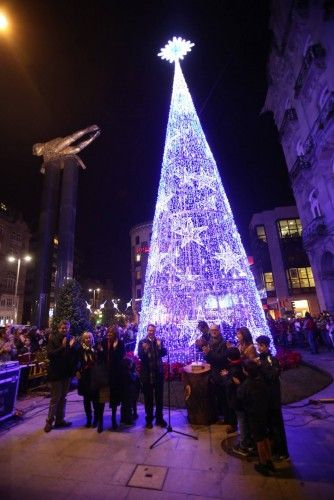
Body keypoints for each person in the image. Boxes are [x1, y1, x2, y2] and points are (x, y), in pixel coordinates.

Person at [237, 360, 274, 476]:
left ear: (246, 372)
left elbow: (241, 396)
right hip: (264, 412)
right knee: (265, 437)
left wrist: (238, 385)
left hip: (254, 414)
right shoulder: (261, 380)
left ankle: (263, 463)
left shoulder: (247, 385)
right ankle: (269, 460)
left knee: (259, 439)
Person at [256, 335, 289, 461]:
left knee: (277, 425)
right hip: (265, 398)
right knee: (270, 425)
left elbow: (273, 375)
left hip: (273, 398)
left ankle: (282, 452)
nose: (259, 348)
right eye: (258, 345)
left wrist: (260, 366)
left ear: (266, 346)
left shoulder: (271, 359)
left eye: (261, 345)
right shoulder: (260, 358)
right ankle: (274, 449)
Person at [44, 320, 78, 433]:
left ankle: (60, 420)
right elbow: (50, 355)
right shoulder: (53, 339)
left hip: (66, 374)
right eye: (63, 328)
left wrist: (72, 347)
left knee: (63, 398)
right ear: (59, 328)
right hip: (56, 373)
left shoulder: (70, 339)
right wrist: (63, 347)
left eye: (67, 328)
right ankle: (49, 421)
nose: (65, 330)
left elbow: (72, 357)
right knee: (55, 398)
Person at [138, 324, 167, 429]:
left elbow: (164, 353)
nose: (151, 332)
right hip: (147, 374)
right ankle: (149, 419)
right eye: (149, 330)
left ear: (155, 331)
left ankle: (159, 418)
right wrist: (145, 350)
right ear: (147, 331)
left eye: (153, 330)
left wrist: (160, 346)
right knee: (148, 398)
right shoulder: (142, 342)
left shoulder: (158, 341)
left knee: (159, 398)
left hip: (158, 373)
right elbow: (140, 356)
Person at [98, 325, 125, 432]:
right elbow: (100, 358)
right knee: (102, 399)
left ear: (116, 334)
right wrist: (101, 351)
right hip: (104, 375)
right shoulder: (103, 342)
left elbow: (120, 358)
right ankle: (100, 422)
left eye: (111, 333)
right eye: (108, 332)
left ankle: (114, 419)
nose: (109, 334)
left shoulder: (120, 343)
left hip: (115, 375)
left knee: (114, 399)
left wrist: (114, 349)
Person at [202, 323, 228, 421]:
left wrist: (209, 353)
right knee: (216, 396)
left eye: (215, 330)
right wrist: (207, 354)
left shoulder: (224, 342)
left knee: (224, 397)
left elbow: (222, 358)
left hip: (222, 372)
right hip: (213, 372)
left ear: (219, 330)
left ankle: (227, 418)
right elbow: (208, 358)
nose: (213, 332)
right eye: (212, 330)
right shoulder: (209, 342)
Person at [76, 331, 99, 428]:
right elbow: (77, 361)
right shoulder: (80, 349)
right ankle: (89, 419)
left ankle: (96, 419)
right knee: (86, 400)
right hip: (85, 377)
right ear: (83, 339)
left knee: (95, 400)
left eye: (89, 337)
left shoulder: (95, 348)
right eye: (86, 338)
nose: (88, 339)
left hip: (95, 376)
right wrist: (77, 371)